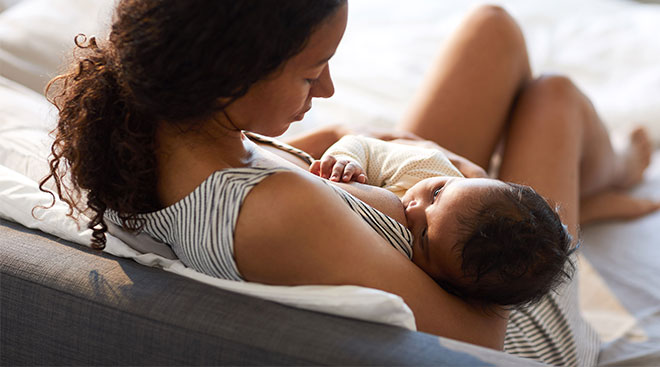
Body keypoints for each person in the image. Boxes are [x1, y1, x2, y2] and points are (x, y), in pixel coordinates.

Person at [40, 1, 659, 365]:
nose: (328, 87)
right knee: (553, 99)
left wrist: (371, 151)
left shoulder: (152, 133)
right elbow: (483, 336)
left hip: (413, 226)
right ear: (230, 78)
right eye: (312, 75)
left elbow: (297, 154)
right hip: (517, 300)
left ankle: (594, 186)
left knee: (492, 30)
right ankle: (612, 175)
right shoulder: (279, 213)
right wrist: (458, 176)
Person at [310, 134, 575, 309]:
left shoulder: (437, 282)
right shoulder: (428, 167)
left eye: (424, 235)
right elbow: (364, 145)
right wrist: (349, 159)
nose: (413, 209)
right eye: (436, 193)